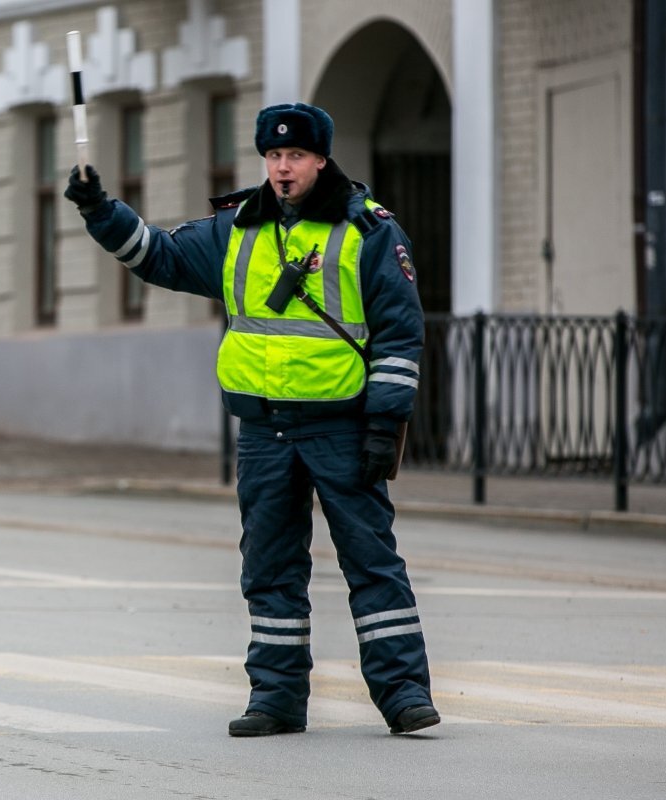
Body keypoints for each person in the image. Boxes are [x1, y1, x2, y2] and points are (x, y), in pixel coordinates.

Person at [64, 102, 439, 737]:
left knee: (371, 563)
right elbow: (157, 255)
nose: (283, 167)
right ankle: (276, 697)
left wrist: (383, 424)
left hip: (341, 426)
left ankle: (403, 694)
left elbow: (401, 336)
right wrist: (101, 211)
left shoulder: (368, 231)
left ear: (322, 159)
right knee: (268, 569)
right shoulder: (236, 228)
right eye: (273, 156)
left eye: (295, 156)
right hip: (265, 431)